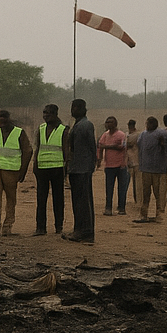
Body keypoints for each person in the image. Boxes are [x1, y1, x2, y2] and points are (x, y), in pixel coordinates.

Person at [0, 108, 32, 236]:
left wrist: (22, 171)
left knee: (11, 199)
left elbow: (28, 151)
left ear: (9, 119)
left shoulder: (19, 132)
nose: (2, 120)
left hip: (12, 171)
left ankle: (7, 226)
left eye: (4, 118)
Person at [32, 103, 67, 236]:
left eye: (48, 113)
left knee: (58, 199)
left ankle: (59, 226)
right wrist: (35, 164)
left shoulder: (63, 129)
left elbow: (65, 149)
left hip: (57, 168)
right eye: (44, 112)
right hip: (42, 168)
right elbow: (38, 147)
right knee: (41, 199)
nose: (45, 115)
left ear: (55, 114)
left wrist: (66, 167)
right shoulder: (40, 128)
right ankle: (40, 227)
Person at [65, 99, 97, 243]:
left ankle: (86, 232)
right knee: (77, 201)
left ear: (83, 109)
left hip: (82, 169)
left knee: (83, 202)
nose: (73, 110)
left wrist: (90, 165)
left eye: (76, 107)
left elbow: (92, 147)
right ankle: (79, 230)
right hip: (76, 168)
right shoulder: (77, 125)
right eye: (73, 107)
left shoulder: (86, 125)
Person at [134, 116, 167, 223]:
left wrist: (163, 144)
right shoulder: (143, 135)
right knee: (144, 194)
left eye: (149, 123)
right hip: (145, 168)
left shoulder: (163, 134)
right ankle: (143, 214)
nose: (148, 125)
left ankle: (159, 215)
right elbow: (140, 147)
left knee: (159, 193)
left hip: (159, 170)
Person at [98, 115, 128, 216]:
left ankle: (121, 208)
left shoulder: (121, 135)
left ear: (115, 124)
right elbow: (100, 146)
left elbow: (122, 147)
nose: (108, 124)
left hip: (121, 165)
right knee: (109, 188)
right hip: (109, 166)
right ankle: (108, 208)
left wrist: (107, 146)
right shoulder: (105, 135)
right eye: (107, 122)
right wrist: (99, 158)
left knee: (122, 188)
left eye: (110, 122)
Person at [125, 119, 141, 204]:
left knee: (137, 182)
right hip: (128, 160)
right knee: (128, 181)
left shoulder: (137, 135)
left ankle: (137, 200)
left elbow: (128, 144)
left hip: (136, 160)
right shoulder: (127, 135)